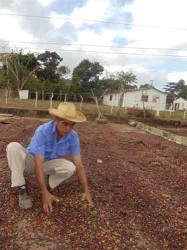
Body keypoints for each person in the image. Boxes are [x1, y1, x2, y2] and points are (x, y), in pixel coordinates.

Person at [6, 102, 93, 215]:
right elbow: (37, 163)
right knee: (13, 147)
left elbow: (79, 164)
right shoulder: (43, 131)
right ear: (56, 120)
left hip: (46, 165)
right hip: (30, 161)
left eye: (72, 125)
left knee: (70, 167)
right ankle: (22, 186)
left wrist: (86, 190)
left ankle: (46, 180)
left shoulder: (73, 137)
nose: (68, 128)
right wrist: (44, 193)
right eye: (65, 124)